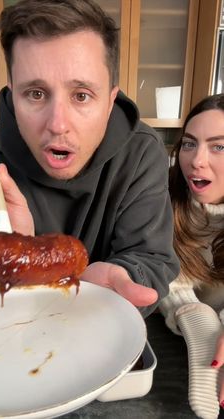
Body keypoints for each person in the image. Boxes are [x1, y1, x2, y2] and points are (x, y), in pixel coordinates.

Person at [0, 0, 179, 316]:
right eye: (36, 93)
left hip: (107, 328)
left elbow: (151, 258)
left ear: (109, 101)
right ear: (12, 94)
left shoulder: (141, 152)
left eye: (81, 95)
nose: (58, 124)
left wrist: (118, 282)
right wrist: (6, 260)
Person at [159, 94, 224, 417]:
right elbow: (156, 268)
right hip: (167, 344)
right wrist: (196, 320)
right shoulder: (159, 194)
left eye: (219, 147)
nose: (196, 161)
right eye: (188, 144)